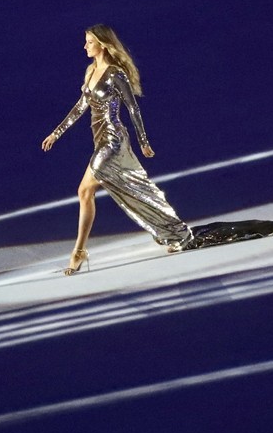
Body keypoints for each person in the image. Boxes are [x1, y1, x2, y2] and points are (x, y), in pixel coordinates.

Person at [41, 24, 194, 275]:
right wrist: (55, 133)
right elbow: (80, 107)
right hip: (100, 141)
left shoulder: (115, 74)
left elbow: (133, 108)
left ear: (102, 44)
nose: (85, 46)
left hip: (113, 142)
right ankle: (171, 229)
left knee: (84, 190)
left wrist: (143, 141)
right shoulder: (91, 72)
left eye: (89, 42)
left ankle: (79, 251)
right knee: (126, 190)